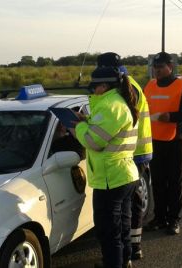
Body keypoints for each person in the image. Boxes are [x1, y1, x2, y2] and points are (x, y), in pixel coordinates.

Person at [70, 66, 139, 268]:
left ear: (103, 86)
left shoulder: (110, 105)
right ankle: (124, 260)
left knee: (108, 232)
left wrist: (77, 127)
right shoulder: (116, 102)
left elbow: (94, 141)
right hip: (123, 175)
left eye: (94, 87)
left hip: (111, 179)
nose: (92, 91)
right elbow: (105, 130)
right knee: (122, 227)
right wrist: (87, 120)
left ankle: (114, 264)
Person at [96, 52, 152, 260]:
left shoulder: (120, 91)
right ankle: (130, 250)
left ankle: (131, 251)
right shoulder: (130, 84)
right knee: (129, 206)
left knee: (128, 208)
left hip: (130, 153)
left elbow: (107, 128)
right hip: (136, 151)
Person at [143, 52, 182, 235]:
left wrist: (172, 117)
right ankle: (159, 218)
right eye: (155, 67)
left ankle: (174, 219)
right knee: (158, 182)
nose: (157, 70)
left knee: (174, 182)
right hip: (155, 141)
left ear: (170, 67)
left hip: (176, 141)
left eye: (161, 67)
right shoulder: (149, 86)